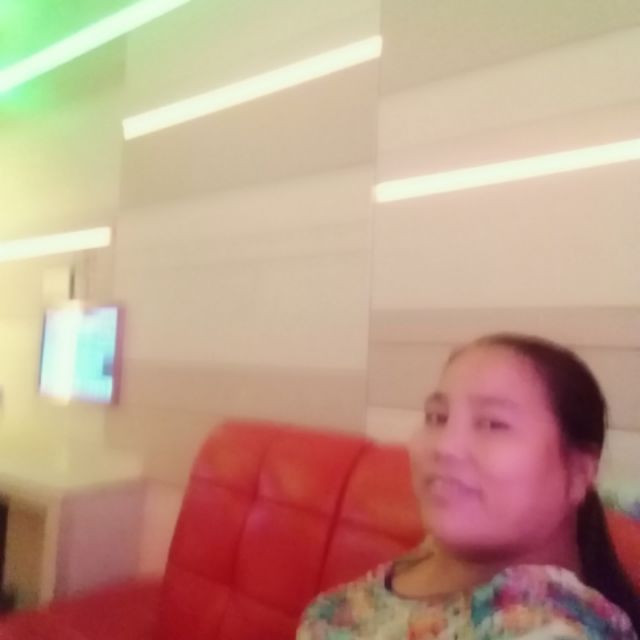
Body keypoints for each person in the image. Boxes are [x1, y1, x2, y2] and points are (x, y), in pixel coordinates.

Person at [297, 333, 639, 639]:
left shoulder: (547, 625)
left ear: (579, 473)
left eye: (493, 423)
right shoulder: (439, 552)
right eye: (437, 417)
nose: (443, 446)